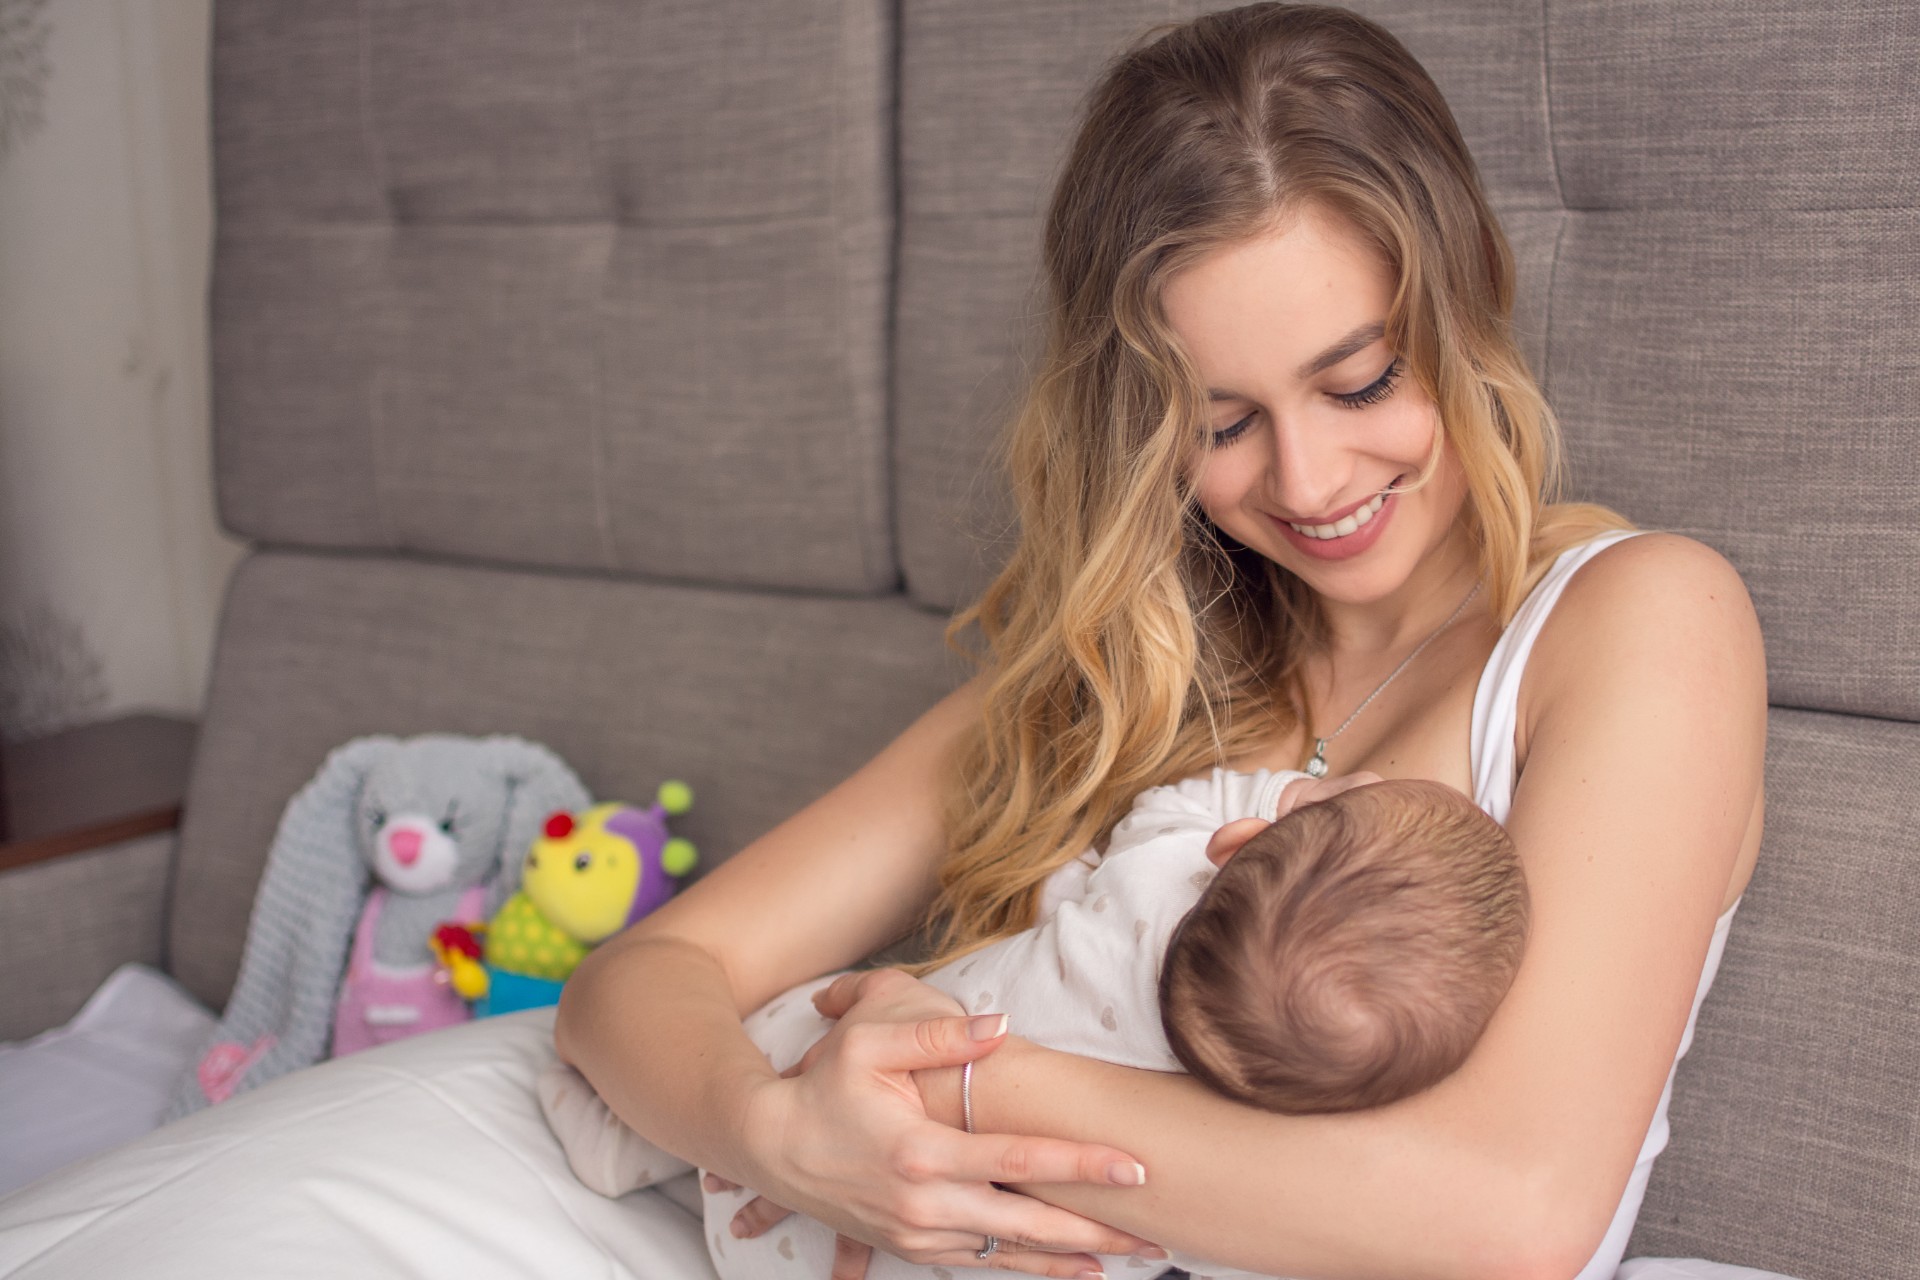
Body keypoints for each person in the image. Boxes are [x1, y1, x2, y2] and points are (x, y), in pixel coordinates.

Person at [555, 5, 1767, 1279]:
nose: (1309, 480)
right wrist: (783, 1130)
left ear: (1469, 300)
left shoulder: (1638, 619)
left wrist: (957, 1092)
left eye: (1358, 382)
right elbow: (637, 980)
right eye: (1222, 421)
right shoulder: (1129, 679)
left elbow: (1509, 1218)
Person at [543, 772, 1527, 1280]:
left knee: (830, 1014)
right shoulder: (1258, 1144)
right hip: (863, 1241)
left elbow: (1171, 810)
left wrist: (1269, 796)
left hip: (808, 1111)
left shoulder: (1159, 875)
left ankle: (617, 1142)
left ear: (1238, 842)